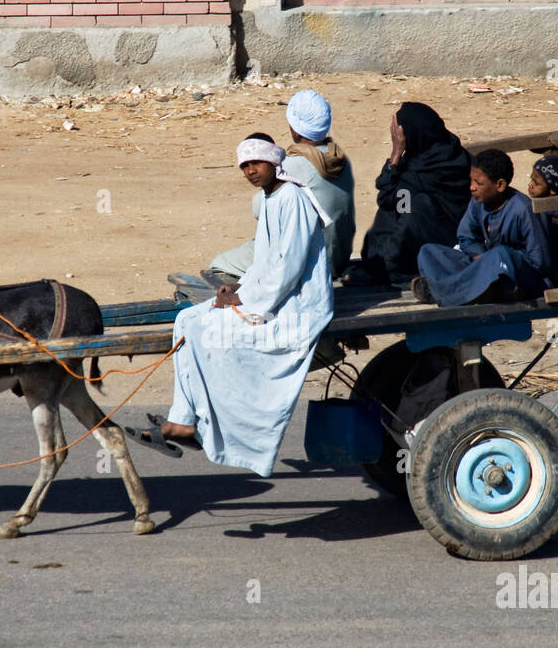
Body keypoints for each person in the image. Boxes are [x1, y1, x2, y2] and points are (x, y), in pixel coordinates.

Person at [132, 136, 334, 476]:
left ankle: (207, 428)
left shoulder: (292, 198)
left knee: (207, 329)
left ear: (274, 162)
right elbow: (267, 260)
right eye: (244, 166)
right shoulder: (271, 199)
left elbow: (290, 267)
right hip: (268, 292)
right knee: (186, 321)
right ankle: (182, 420)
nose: (250, 171)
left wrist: (245, 299)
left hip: (299, 302)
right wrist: (240, 286)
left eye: (256, 163)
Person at [208, 89, 355, 280]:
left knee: (220, 264)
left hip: (310, 261)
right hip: (337, 256)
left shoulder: (291, 166)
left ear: (293, 128)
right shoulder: (340, 159)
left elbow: (260, 209)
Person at [344, 102, 471, 286]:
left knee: (403, 206)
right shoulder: (453, 152)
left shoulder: (417, 174)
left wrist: (396, 154)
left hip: (432, 241)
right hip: (451, 235)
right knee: (404, 202)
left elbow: (386, 198)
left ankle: (387, 268)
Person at [411, 148, 555, 307]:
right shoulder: (478, 201)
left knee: (500, 254)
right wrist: (481, 258)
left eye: (478, 183)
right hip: (483, 267)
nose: (472, 187)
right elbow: (466, 237)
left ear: (499, 185)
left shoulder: (524, 210)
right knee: (429, 252)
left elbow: (540, 263)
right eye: (471, 181)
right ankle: (465, 291)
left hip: (515, 277)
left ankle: (442, 292)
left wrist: (493, 260)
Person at [526, 153, 558, 291]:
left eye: (536, 183)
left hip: (557, 272)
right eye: (531, 179)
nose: (530, 185)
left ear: (553, 189)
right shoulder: (540, 205)